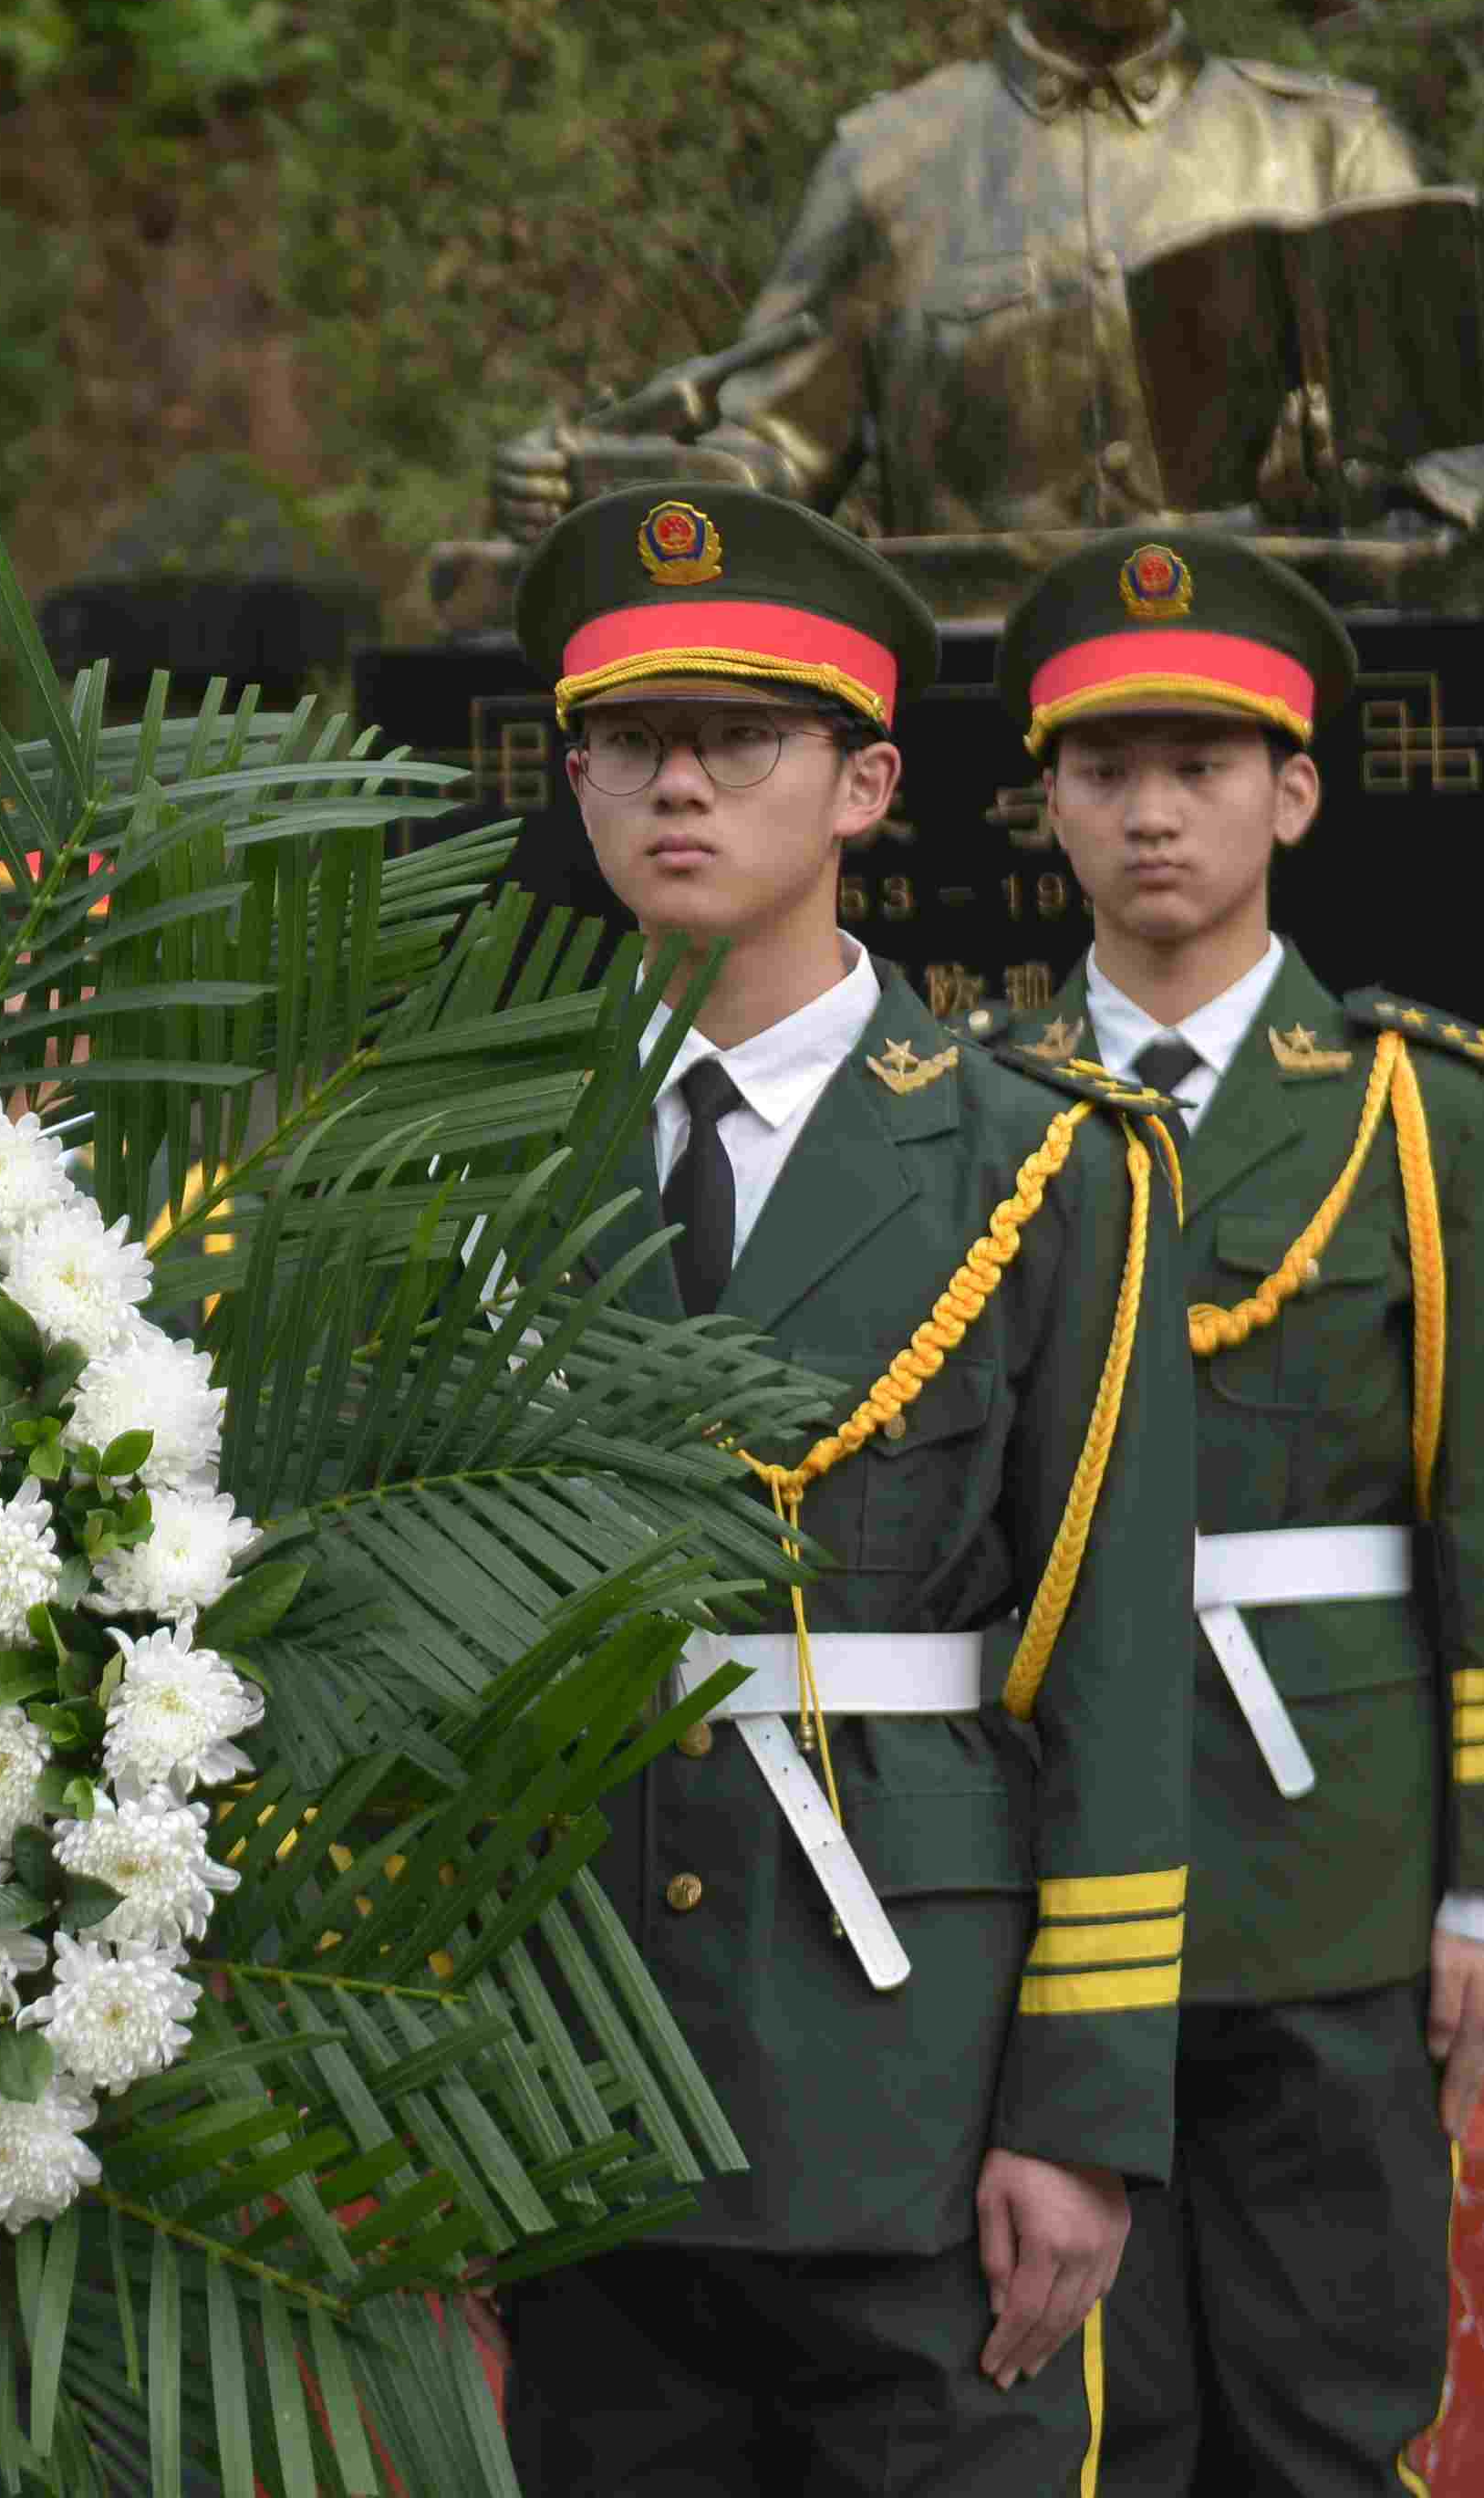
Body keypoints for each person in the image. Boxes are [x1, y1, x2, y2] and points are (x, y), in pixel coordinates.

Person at [493, 490, 1194, 2497]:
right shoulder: (490, 1154)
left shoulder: (1039, 1162)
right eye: (631, 741)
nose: (680, 781)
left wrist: (1081, 2112)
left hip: (916, 2073)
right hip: (587, 2058)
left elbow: (1113, 1664)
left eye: (745, 740)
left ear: (868, 780)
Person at [993, 527, 1484, 2497]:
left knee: (1330, 2413)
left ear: (1294, 792)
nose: (1151, 812)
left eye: (1206, 767)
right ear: (1050, 799)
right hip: (1056, 1877)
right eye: (1104, 770)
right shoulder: (977, 1117)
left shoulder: (1427, 1117)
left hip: (1332, 1868)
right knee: (1088, 2425)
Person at [485, 0, 1484, 560]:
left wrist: (1354, 487)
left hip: (1264, 707)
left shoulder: (1327, 151)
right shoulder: (892, 166)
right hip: (973, 715)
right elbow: (774, 450)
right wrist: (592, 486)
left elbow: (1474, 453)